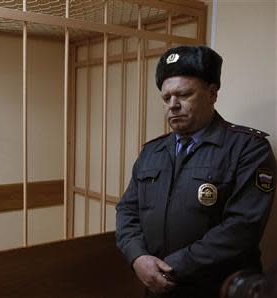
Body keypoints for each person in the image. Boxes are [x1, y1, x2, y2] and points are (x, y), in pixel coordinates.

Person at [115, 46, 275, 298]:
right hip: (157, 286)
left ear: (212, 94)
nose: (173, 105)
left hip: (218, 287)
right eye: (166, 98)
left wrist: (169, 268)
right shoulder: (152, 151)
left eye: (184, 94)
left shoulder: (248, 148)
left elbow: (242, 227)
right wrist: (138, 257)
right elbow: (127, 210)